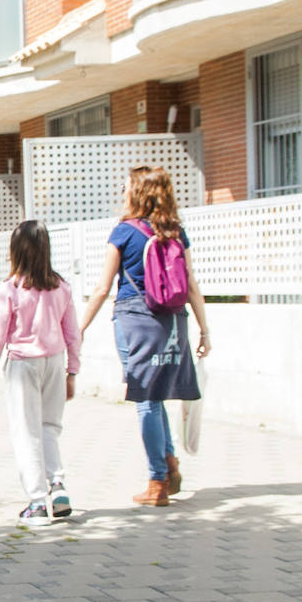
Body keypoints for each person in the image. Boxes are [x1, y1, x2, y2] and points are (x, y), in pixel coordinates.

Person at [79, 166, 210, 506]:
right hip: (174, 322)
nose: (123, 191)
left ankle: (157, 483)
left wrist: (77, 329)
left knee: (147, 400)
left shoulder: (123, 232)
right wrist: (204, 330)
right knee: (159, 395)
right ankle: (168, 464)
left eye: (127, 187)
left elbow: (102, 288)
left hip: (136, 319)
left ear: (137, 192)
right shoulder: (176, 232)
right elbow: (193, 286)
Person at [0, 220, 81, 525]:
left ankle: (37, 503)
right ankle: (58, 488)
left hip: (23, 364)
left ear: (16, 251)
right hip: (54, 361)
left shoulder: (10, 289)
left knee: (26, 432)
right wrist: (72, 371)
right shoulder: (61, 287)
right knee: (50, 427)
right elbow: (73, 333)